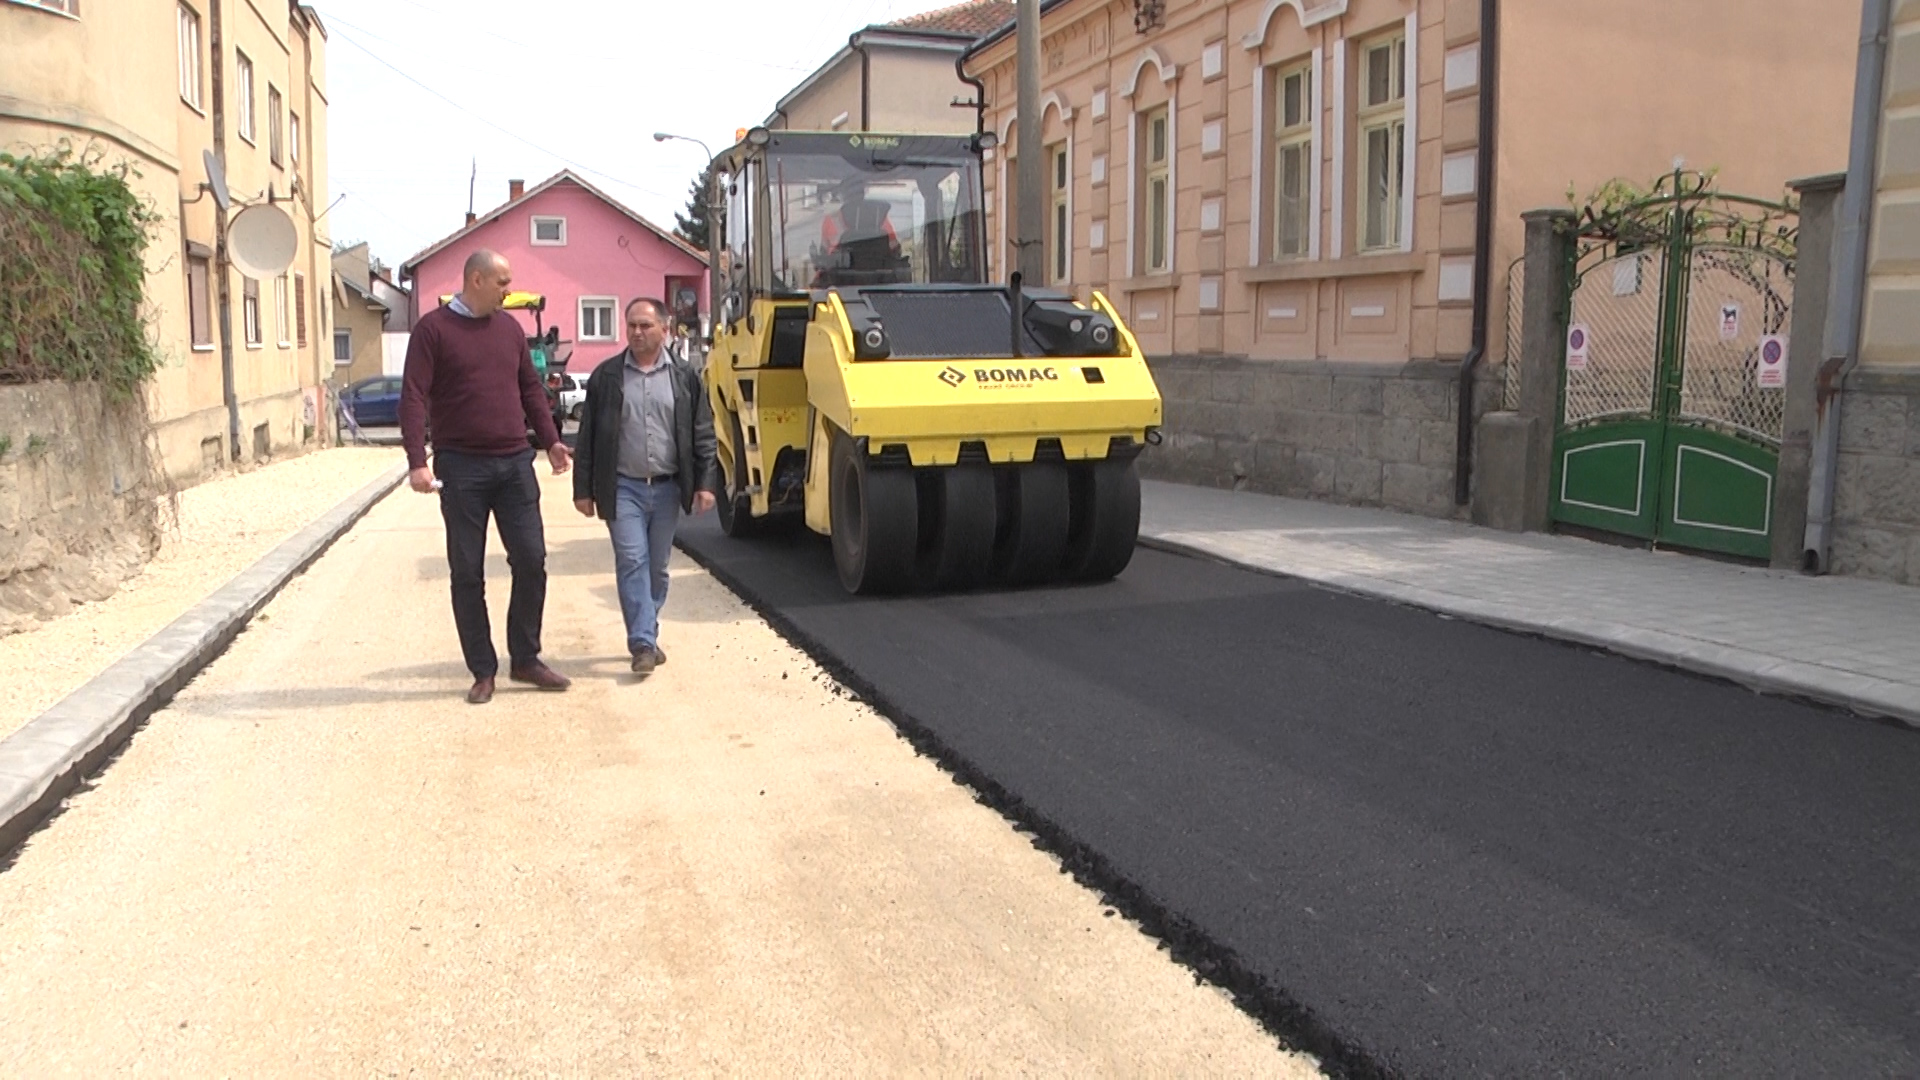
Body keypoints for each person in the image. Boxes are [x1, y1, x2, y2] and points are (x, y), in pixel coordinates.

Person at [400, 249, 573, 705]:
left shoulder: (510, 329)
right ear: (476, 280)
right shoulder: (433, 331)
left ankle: (526, 658)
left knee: (532, 560)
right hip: (461, 467)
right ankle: (483, 669)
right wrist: (417, 460)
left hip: (515, 462)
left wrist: (551, 440)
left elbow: (529, 390)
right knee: (466, 571)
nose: (507, 289)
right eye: (502, 282)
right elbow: (413, 397)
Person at [572, 297, 719, 675]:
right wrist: (583, 489)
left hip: (668, 487)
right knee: (632, 560)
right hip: (623, 487)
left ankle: (648, 632)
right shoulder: (607, 377)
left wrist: (706, 483)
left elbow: (702, 432)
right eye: (632, 325)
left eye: (645, 326)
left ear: (665, 330)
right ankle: (641, 643)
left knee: (658, 568)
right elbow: (588, 436)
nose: (637, 332)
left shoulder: (685, 377)